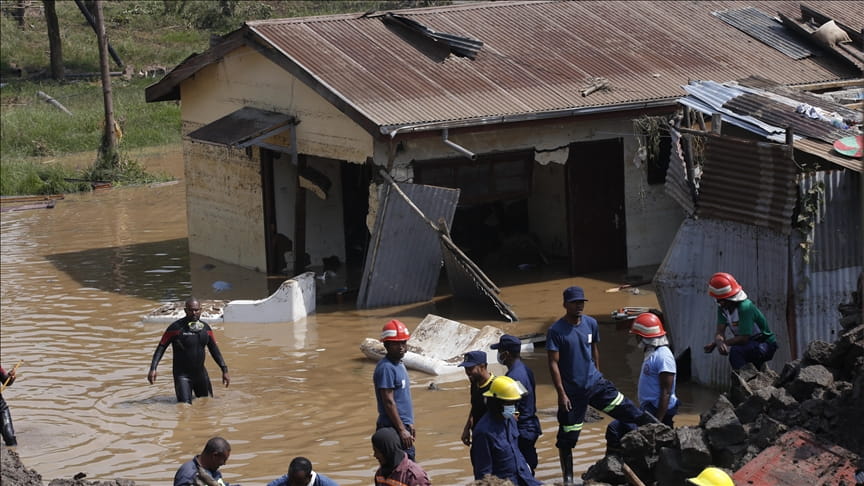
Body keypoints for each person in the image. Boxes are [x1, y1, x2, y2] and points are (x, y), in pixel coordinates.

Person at [547, 286, 654, 485]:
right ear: (565, 304)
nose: (579, 305)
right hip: (573, 393)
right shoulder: (556, 331)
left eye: (582, 302)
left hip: (597, 385)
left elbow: (594, 349)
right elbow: (553, 363)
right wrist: (562, 393)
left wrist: (598, 372)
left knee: (631, 411)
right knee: (567, 437)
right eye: (575, 302)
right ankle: (568, 480)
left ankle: (665, 434)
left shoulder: (591, 324)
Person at [606, 312, 679, 452]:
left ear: (643, 336)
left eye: (637, 336)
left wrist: (656, 423)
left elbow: (666, 392)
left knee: (615, 428)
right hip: (648, 410)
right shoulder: (652, 353)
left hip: (655, 412)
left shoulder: (663, 356)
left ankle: (613, 466)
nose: (636, 339)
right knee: (618, 429)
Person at [148, 298, 230, 404]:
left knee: (207, 403)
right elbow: (161, 347)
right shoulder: (175, 328)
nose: (194, 313)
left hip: (201, 375)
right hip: (182, 375)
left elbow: (214, 349)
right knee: (184, 408)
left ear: (201, 310)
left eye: (196, 310)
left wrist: (224, 370)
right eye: (191, 310)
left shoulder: (206, 329)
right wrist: (153, 368)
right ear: (185, 311)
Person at [470, 375, 541, 486]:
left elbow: (515, 450)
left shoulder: (510, 419)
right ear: (497, 403)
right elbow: (483, 477)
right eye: (509, 404)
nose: (512, 407)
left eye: (514, 403)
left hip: (525, 479)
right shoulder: (483, 433)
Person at [705, 272, 778, 370]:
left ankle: (743, 380)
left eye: (720, 300)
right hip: (750, 345)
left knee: (736, 352)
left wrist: (724, 343)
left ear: (729, 299)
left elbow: (743, 338)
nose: (718, 303)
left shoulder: (745, 308)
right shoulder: (723, 309)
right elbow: (720, 331)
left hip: (765, 344)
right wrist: (718, 342)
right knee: (741, 351)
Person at [491, 335, 541, 474]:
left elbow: (513, 407)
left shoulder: (513, 377)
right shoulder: (525, 370)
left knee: (522, 469)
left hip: (522, 429)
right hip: (530, 425)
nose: (498, 355)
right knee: (528, 467)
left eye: (499, 351)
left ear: (506, 354)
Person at [373, 319, 416, 460]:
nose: (401, 347)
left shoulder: (399, 364)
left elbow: (403, 398)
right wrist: (402, 430)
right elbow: (388, 401)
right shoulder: (386, 368)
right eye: (396, 344)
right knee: (401, 469)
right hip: (393, 429)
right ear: (386, 345)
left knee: (408, 468)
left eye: (403, 342)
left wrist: (409, 423)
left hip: (402, 426)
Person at [458, 350, 495, 447]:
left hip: (494, 439)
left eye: (470, 368)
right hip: (478, 436)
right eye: (466, 369)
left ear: (483, 366)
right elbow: (475, 407)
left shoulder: (496, 386)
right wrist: (467, 428)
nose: (467, 372)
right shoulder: (475, 384)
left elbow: (512, 414)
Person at [267, 456, 339, 486]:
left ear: (310, 477)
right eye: (291, 480)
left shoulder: (326, 484)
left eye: (298, 483)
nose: (293, 485)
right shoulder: (280, 483)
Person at [0, 363, 18, 446]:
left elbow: (5, 381)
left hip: (1, 408)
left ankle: (14, 457)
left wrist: (10, 377)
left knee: (10, 438)